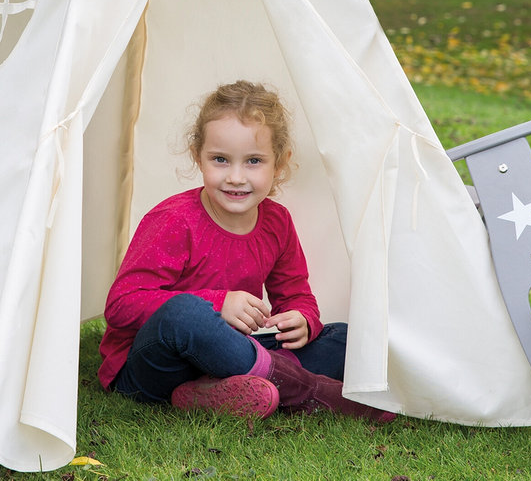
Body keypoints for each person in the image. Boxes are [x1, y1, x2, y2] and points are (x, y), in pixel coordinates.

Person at [97, 80, 395, 422]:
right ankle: (308, 391)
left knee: (343, 338)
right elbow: (121, 304)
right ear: (198, 157)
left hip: (227, 356)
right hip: (153, 366)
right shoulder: (174, 220)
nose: (236, 177)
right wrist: (218, 303)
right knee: (185, 313)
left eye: (253, 161)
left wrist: (302, 319)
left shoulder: (276, 222)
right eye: (220, 160)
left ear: (279, 164)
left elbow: (296, 295)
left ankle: (212, 392)